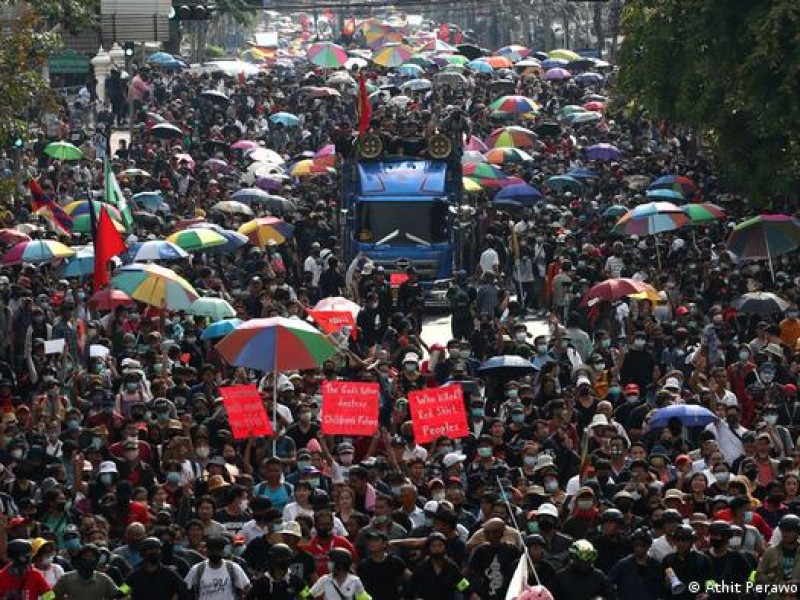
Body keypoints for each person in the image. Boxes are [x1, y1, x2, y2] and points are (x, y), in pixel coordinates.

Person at [184, 535, 251, 600]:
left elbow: (247, 588)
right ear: (208, 551)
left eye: (218, 550)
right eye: (212, 551)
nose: (215, 553)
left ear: (222, 551)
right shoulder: (198, 569)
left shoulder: (233, 568)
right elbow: (184, 588)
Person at [608, 528, 666, 600]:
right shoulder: (622, 565)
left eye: (643, 545)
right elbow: (609, 584)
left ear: (648, 546)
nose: (639, 548)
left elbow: (661, 588)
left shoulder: (656, 565)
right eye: (636, 545)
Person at [550, 540, 615, 600]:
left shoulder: (599, 576)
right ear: (574, 557)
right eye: (584, 558)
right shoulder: (561, 577)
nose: (587, 562)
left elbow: (611, 596)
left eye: (590, 557)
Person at [53, 543, 121, 600]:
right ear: (79, 559)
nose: (88, 559)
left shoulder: (103, 579)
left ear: (96, 561)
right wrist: (43, 598)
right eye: (85, 556)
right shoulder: (67, 578)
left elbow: (119, 593)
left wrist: (128, 584)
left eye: (92, 557)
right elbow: (51, 595)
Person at [246, 543, 311, 600]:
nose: (287, 560)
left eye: (288, 558)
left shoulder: (297, 582)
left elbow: (308, 597)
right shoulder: (261, 583)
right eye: (285, 558)